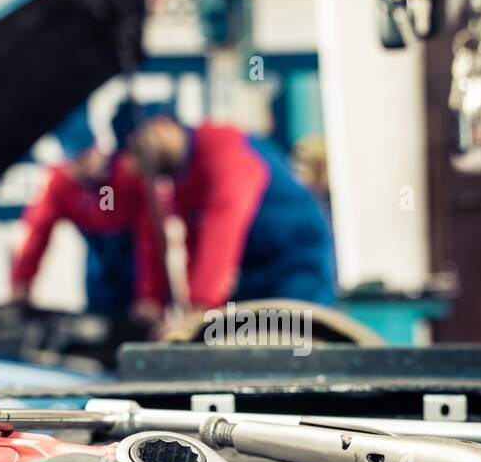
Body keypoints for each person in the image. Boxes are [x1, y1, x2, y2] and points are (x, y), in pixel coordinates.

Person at [120, 107, 337, 315]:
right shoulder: (181, 178)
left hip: (298, 263)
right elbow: (187, 241)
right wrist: (152, 299)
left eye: (137, 151)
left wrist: (200, 306)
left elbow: (225, 216)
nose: (136, 167)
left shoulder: (223, 145)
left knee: (290, 341)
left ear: (160, 128)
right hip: (255, 273)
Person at [10, 106, 145, 316]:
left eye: (85, 157)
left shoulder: (130, 176)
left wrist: (150, 296)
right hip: (98, 267)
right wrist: (21, 282)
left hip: (137, 261)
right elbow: (38, 231)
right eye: (74, 161)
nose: (80, 169)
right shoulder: (62, 182)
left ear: (98, 148)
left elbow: (152, 240)